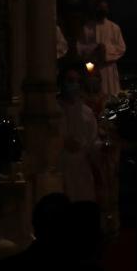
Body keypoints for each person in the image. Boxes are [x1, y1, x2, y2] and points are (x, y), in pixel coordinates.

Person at [58, 65, 100, 202]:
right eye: (70, 81)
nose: (74, 85)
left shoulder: (86, 113)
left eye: (77, 81)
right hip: (60, 171)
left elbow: (93, 142)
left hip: (82, 172)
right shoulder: (53, 111)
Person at [77, 0, 126, 97]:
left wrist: (106, 50)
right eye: (100, 8)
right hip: (93, 67)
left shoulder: (114, 28)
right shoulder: (87, 27)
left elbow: (121, 48)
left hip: (109, 68)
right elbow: (80, 47)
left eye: (104, 8)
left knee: (110, 95)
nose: (102, 10)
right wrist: (94, 49)